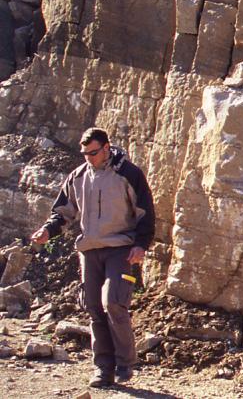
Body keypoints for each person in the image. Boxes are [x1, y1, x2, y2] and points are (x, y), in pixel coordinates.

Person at [31, 127, 155, 388]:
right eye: (85, 153)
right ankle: (103, 369)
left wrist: (141, 245)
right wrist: (47, 231)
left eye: (94, 153)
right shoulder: (77, 176)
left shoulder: (128, 174)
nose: (89, 158)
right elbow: (63, 212)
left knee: (113, 302)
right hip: (89, 250)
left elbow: (145, 212)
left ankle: (124, 363)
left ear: (107, 148)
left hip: (121, 248)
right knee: (93, 307)